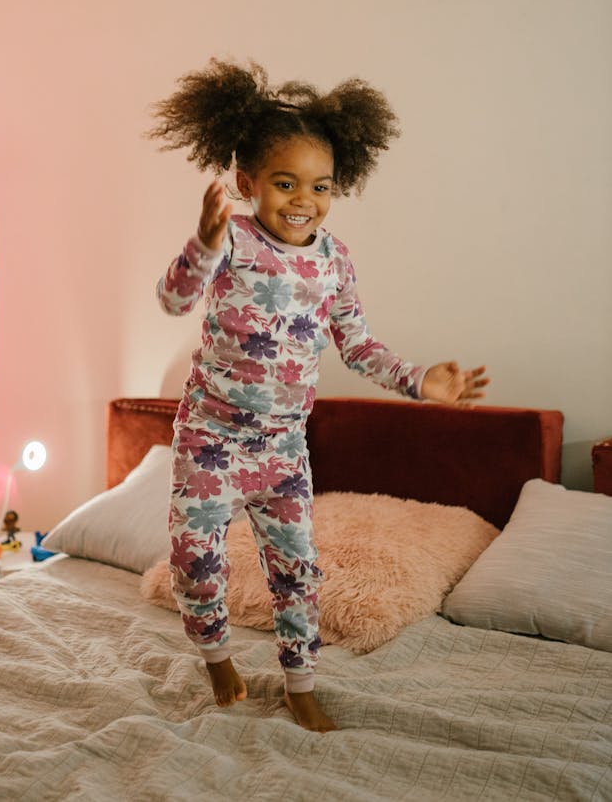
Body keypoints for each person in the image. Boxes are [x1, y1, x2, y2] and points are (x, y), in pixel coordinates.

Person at [149, 59, 489, 732]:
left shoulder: (333, 258)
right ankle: (216, 655)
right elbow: (172, 298)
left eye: (320, 186)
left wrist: (423, 380)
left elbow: (358, 345)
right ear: (247, 183)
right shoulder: (235, 241)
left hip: (281, 448)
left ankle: (300, 680)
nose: (303, 199)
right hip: (210, 439)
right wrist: (205, 239)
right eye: (284, 182)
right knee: (194, 557)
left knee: (298, 569)